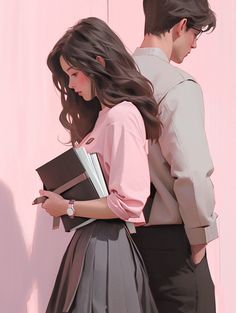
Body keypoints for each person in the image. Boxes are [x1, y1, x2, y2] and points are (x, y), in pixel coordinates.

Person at [39, 17, 162, 313]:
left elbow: (129, 202)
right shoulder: (104, 118)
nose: (70, 84)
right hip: (92, 245)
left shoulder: (121, 117)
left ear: (99, 62)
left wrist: (67, 206)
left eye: (75, 73)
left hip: (106, 248)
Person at [131, 1, 218, 313]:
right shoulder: (177, 86)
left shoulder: (110, 80)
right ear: (181, 25)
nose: (194, 43)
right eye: (195, 33)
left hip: (121, 245)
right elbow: (192, 173)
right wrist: (199, 239)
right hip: (172, 248)